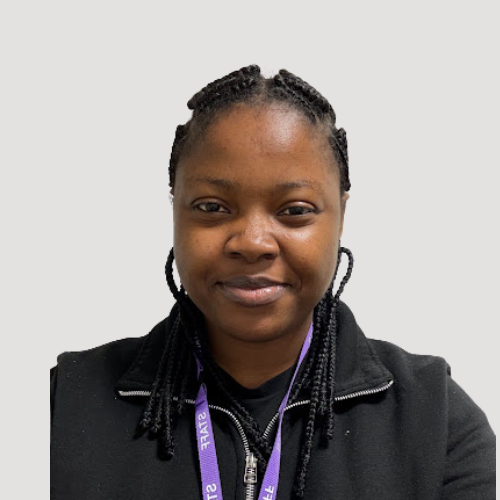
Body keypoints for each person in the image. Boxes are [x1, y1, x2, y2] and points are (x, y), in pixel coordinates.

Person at [50, 65, 495, 500]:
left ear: (341, 216)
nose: (253, 242)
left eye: (295, 210)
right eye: (211, 207)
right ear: (175, 210)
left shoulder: (435, 420)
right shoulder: (60, 407)